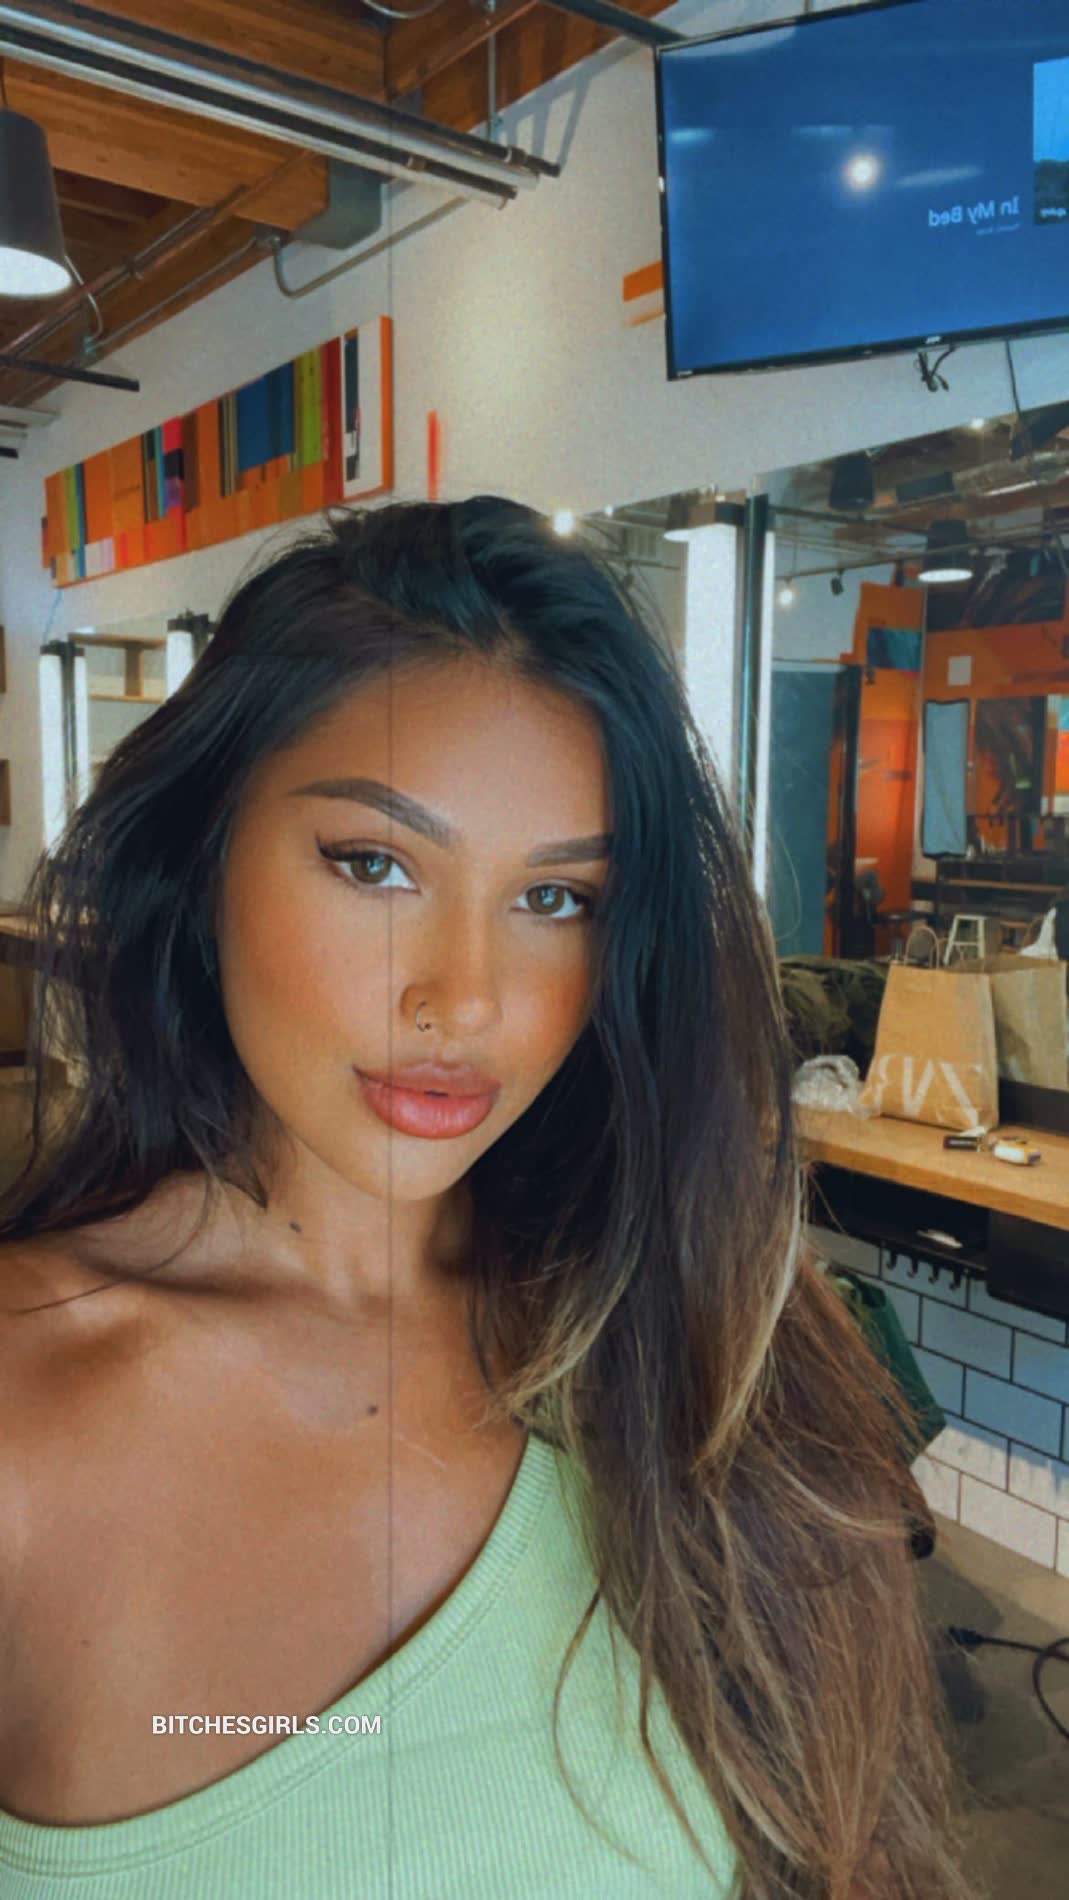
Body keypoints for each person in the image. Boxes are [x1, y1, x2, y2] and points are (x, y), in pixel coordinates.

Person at [0, 497, 973, 1899]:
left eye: (556, 901)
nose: (466, 1001)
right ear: (200, 855)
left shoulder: (696, 1332)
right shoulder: (28, 1408)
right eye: (376, 865)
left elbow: (845, 1846)